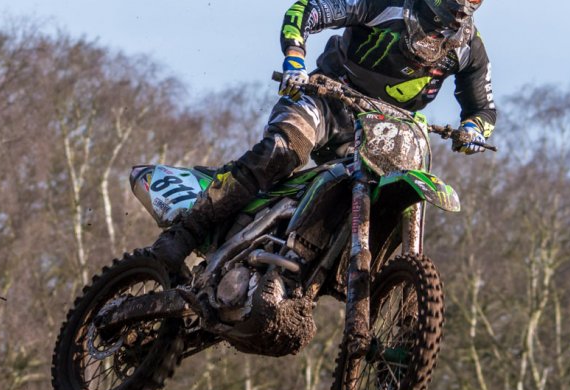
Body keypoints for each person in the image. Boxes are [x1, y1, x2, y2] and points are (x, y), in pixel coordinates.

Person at [152, 0, 496, 270]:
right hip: (329, 96)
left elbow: (483, 108)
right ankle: (187, 232)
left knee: (384, 196)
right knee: (282, 151)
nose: (464, 5)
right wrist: (294, 59)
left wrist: (473, 129)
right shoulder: (387, 4)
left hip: (386, 129)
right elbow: (308, 9)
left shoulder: (468, 46)